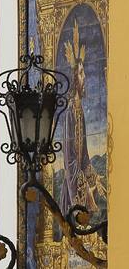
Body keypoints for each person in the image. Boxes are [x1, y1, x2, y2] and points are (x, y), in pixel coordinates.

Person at [60, 21, 106, 217]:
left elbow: (84, 156)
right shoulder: (70, 114)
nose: (84, 76)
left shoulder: (80, 114)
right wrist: (85, 192)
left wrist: (95, 179)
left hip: (80, 184)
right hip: (71, 193)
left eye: (84, 72)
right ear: (74, 78)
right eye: (81, 73)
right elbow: (70, 162)